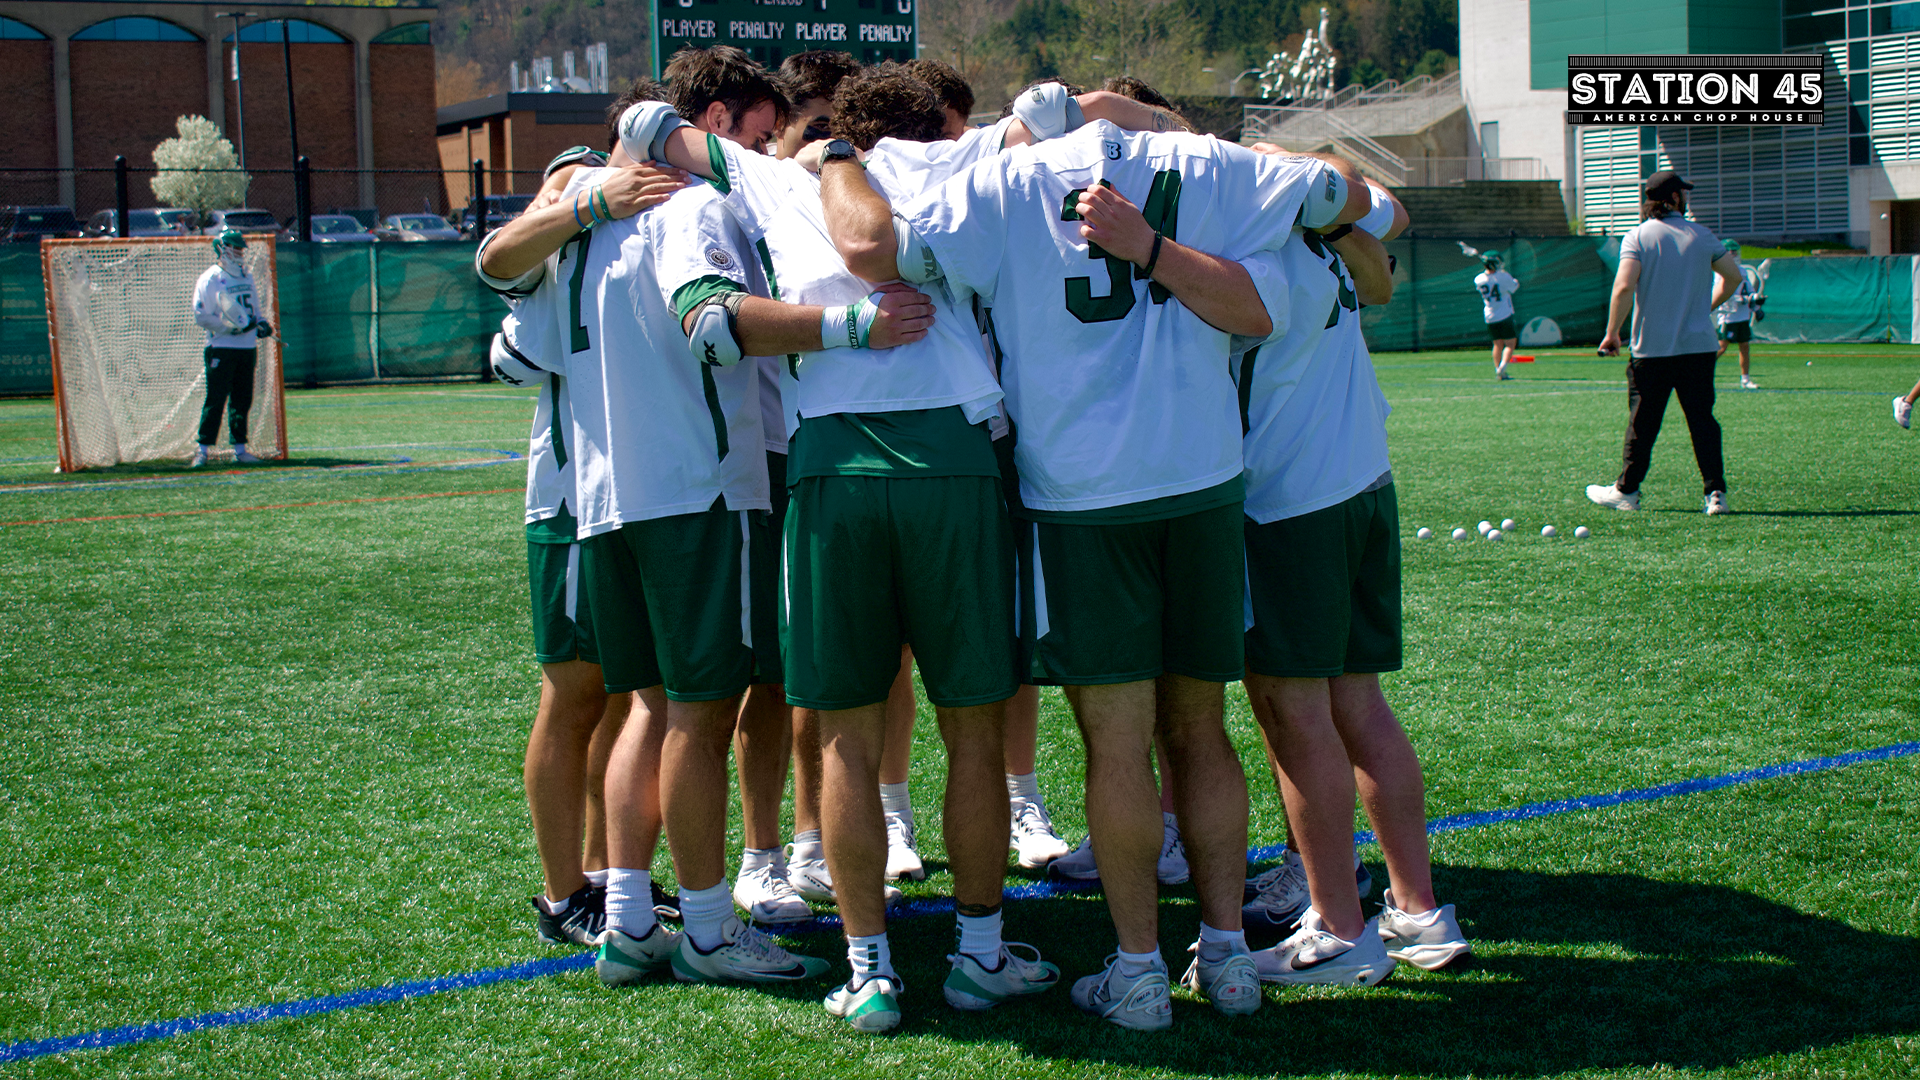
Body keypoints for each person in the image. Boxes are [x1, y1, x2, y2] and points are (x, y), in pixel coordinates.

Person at [625, 66, 1177, 1031]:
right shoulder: (948, 153)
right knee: (970, 722)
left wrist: (590, 180)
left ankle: (870, 969)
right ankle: (977, 953)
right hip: (955, 456)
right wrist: (1148, 118)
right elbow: (1052, 112)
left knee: (844, 734)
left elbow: (647, 125)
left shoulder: (775, 174)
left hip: (829, 460)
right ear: (927, 123)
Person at [822, 104, 1368, 1030]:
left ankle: (1141, 970)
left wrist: (837, 158)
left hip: (1079, 499)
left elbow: (874, 252)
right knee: (1200, 728)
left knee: (1116, 745)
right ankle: (1228, 960)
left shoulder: (1004, 181)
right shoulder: (1207, 161)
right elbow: (1345, 197)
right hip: (1201, 481)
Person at [1232, 176, 1472, 988]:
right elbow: (1380, 273)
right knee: (1358, 704)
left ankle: (1338, 927)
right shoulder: (1326, 241)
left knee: (1294, 713)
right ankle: (1420, 912)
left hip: (1290, 499)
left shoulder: (1245, 248)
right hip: (1364, 478)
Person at [480, 143, 678, 949]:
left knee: (633, 694)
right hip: (571, 496)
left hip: (646, 488)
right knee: (573, 693)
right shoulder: (578, 196)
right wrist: (580, 195)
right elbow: (498, 260)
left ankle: (606, 872)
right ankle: (564, 893)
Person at [1588, 170, 1743, 517]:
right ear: (1673, 199)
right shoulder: (1703, 236)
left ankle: (1626, 492)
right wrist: (1705, 307)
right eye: (1683, 194)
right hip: (1698, 348)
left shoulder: (1638, 237)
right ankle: (1715, 495)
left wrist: (1612, 332)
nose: (1686, 200)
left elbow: (1624, 287)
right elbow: (1733, 277)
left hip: (1651, 350)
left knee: (1643, 425)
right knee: (1703, 421)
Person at [189, 228, 273, 466]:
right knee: (216, 398)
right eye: (235, 247)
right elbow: (201, 316)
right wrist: (230, 328)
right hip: (222, 347)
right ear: (222, 248)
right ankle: (202, 451)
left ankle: (240, 449)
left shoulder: (246, 276)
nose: (239, 252)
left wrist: (263, 325)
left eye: (240, 248)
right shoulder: (211, 278)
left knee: (242, 399)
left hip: (247, 348)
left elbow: (253, 310)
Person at [1713, 239, 1761, 389]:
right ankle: (1698, 372)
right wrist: (1740, 299)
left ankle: (1745, 379)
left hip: (1742, 315)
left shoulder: (1742, 271)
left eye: (1735, 251)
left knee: (1745, 346)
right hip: (1729, 314)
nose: (1733, 253)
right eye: (1730, 251)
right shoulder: (1720, 271)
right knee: (1722, 347)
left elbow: (1748, 290)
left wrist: (1756, 304)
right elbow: (1721, 292)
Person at [1473, 251, 1519, 380]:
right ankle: (1502, 368)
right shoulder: (1503, 277)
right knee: (1510, 343)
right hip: (1504, 314)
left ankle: (1498, 371)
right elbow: (1514, 287)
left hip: (1489, 316)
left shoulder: (1478, 279)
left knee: (1497, 344)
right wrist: (1512, 279)